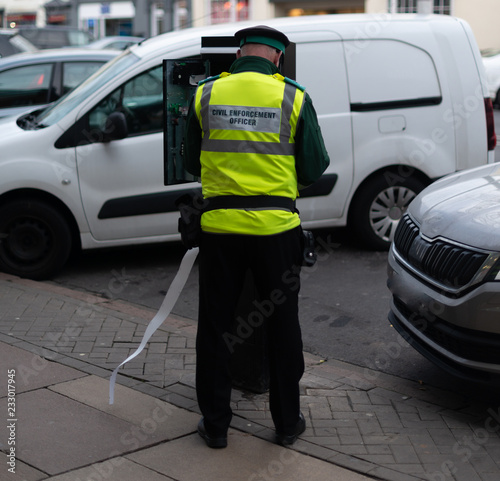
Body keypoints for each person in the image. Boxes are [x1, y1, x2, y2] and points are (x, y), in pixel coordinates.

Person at [184, 25, 330, 449]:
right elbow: (313, 167)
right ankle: (286, 424)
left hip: (220, 230)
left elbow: (193, 160)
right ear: (278, 59)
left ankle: (215, 426)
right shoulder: (294, 97)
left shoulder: (206, 94)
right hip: (276, 232)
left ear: (238, 53)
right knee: (283, 326)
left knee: (215, 326)